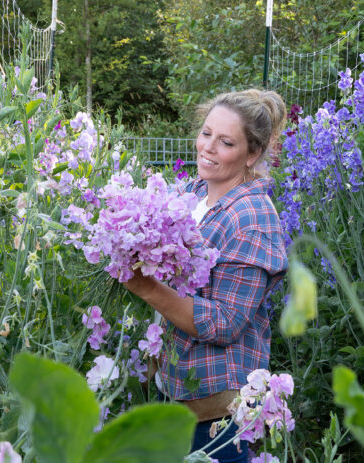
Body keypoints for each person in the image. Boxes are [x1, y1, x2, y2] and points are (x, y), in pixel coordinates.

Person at [123, 89, 288, 462]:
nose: (208, 148)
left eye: (226, 142)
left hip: (215, 416)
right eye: (206, 133)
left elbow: (224, 322)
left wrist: (144, 286)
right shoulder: (194, 195)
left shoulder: (252, 220)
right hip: (173, 395)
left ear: (253, 154)